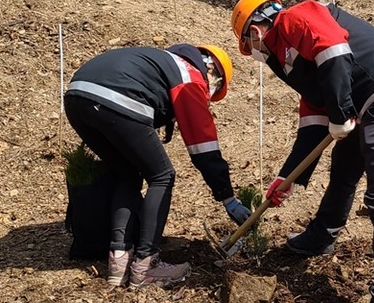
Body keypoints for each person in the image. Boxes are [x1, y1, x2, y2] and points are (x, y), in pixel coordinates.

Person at [230, 0, 374, 303]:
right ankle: (322, 236)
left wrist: (339, 113)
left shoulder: (296, 18)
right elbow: (313, 118)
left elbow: (334, 53)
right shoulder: (288, 57)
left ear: (254, 33)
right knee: (344, 170)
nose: (255, 54)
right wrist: (288, 178)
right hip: (363, 106)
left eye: (249, 48)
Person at [64, 43, 250, 288]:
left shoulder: (161, 63)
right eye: (213, 92)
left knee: (127, 173)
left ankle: (119, 261)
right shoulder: (190, 75)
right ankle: (146, 264)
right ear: (212, 70)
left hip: (77, 96)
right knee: (162, 175)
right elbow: (203, 148)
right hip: (116, 97)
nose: (209, 95)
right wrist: (228, 198)